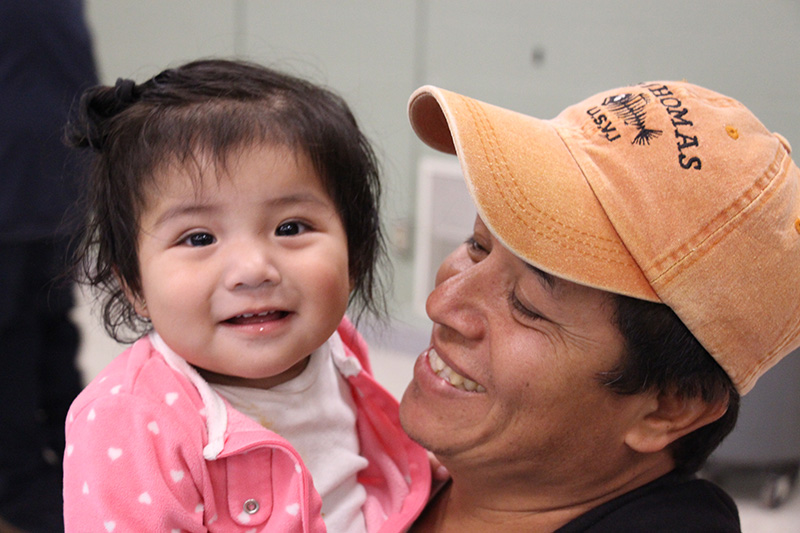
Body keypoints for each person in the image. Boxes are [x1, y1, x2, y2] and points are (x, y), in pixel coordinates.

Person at [400, 80, 800, 532]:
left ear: (669, 406)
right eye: (477, 244)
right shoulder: (381, 472)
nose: (441, 303)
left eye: (527, 306)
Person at [62, 59, 430, 532]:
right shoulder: (129, 422)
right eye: (198, 238)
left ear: (353, 254)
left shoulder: (336, 345)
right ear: (134, 285)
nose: (253, 270)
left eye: (290, 227)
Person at [0, 1, 97, 531]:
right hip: (60, 181)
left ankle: (23, 495)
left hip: (22, 189)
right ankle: (74, 471)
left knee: (16, 346)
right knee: (50, 334)